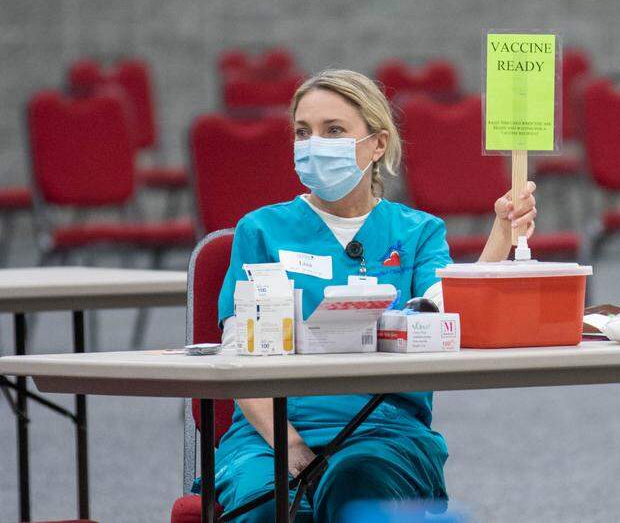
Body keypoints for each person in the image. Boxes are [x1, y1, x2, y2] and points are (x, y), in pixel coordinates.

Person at [212, 69, 536, 521]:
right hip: (271, 435)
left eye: (334, 130)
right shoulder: (261, 230)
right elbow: (237, 360)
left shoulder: (418, 231)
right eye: (303, 132)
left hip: (384, 431)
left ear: (378, 144)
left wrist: (502, 233)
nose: (314, 144)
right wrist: (294, 448)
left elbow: (451, 314)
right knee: (269, 508)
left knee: (356, 489)